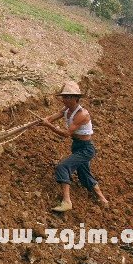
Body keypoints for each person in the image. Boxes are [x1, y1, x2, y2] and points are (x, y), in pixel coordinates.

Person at [39, 81, 108, 212]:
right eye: (64, 97)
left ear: (76, 98)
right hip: (77, 146)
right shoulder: (67, 109)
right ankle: (102, 199)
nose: (65, 99)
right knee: (84, 174)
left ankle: (66, 202)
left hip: (86, 149)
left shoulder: (82, 114)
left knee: (63, 166)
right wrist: (41, 121)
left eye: (68, 97)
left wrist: (47, 125)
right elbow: (52, 117)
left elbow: (66, 133)